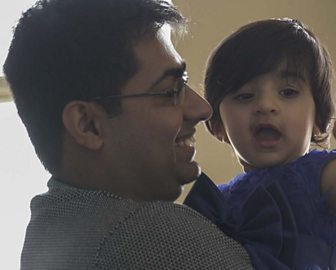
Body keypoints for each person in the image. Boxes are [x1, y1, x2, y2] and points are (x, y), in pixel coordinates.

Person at [3, 0, 254, 269]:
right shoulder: (153, 240)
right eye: (171, 90)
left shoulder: (51, 230)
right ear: (88, 125)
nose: (203, 108)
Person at [184, 18, 336, 270]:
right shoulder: (220, 204)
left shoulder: (323, 173)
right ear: (218, 125)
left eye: (288, 92)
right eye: (245, 96)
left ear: (319, 120)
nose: (266, 105)